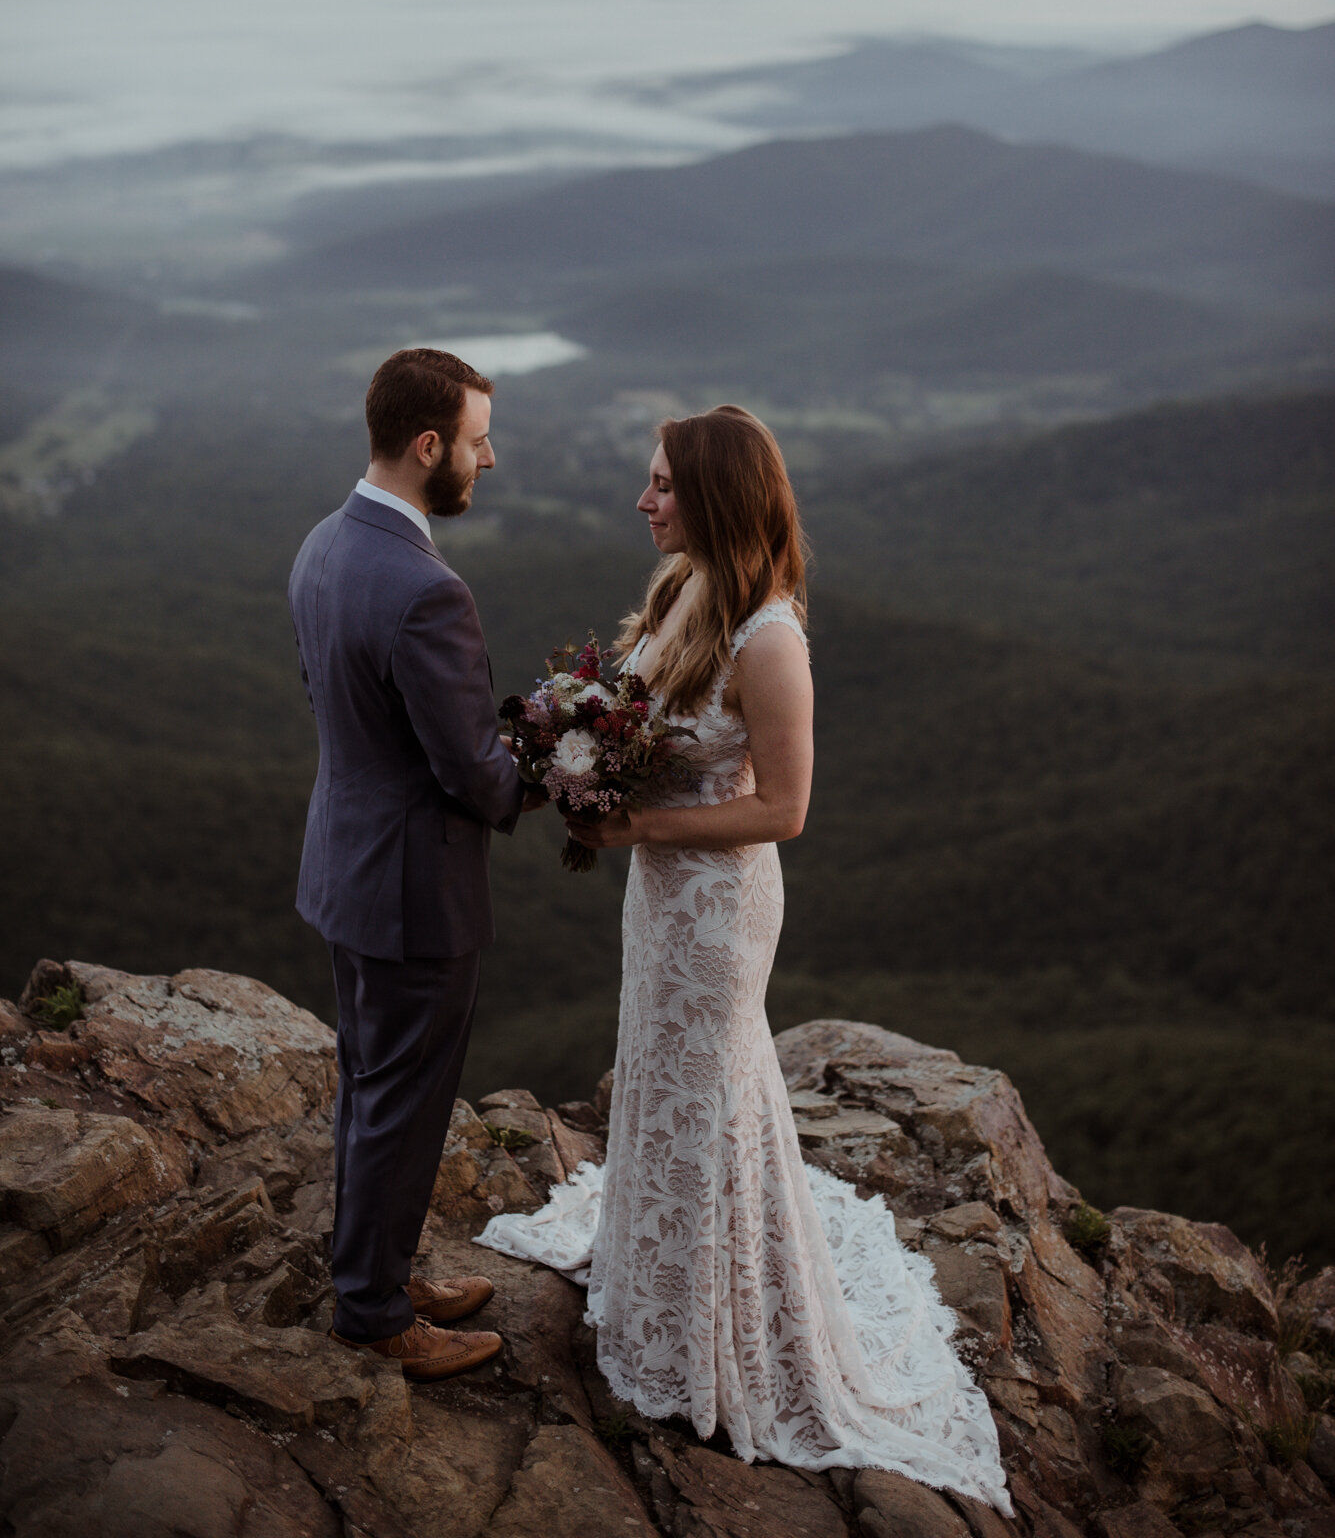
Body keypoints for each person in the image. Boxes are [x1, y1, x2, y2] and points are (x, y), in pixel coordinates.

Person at [477, 405, 1012, 1508]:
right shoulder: (681, 596)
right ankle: (662, 1280)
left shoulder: (770, 637)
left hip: (718, 908)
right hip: (661, 898)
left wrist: (633, 827)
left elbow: (786, 806)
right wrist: (582, 753)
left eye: (663, 483)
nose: (644, 500)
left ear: (714, 495)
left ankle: (712, 1326)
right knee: (667, 1076)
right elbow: (637, 717)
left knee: (707, 1088)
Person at [289, 347, 538, 1380]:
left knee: (370, 1085)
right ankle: (375, 1308)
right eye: (478, 441)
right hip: (412, 892)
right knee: (399, 1097)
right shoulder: (428, 588)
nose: (489, 459)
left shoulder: (323, 543)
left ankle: (378, 1268)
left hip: (348, 868)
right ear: (429, 444)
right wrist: (561, 766)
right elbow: (472, 774)